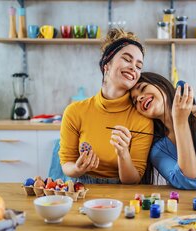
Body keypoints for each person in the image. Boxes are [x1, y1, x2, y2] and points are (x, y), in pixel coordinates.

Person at [59, 29, 153, 184]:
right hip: (82, 190)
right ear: (106, 65)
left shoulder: (142, 119)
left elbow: (134, 179)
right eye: (127, 59)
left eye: (138, 66)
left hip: (122, 193)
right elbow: (66, 164)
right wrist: (78, 168)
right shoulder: (74, 111)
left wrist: (123, 154)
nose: (133, 68)